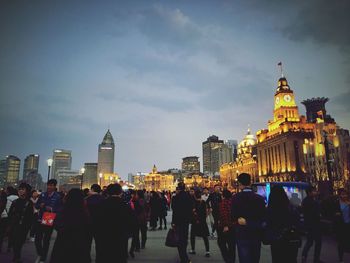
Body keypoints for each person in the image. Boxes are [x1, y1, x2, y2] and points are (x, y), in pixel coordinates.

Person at [231, 173, 265, 263]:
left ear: (240, 183)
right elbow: (263, 217)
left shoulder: (235, 198)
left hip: (242, 233)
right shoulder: (260, 199)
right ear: (250, 182)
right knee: (255, 258)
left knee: (244, 258)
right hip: (256, 232)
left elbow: (233, 216)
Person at [50, 188, 91, 263]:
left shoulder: (63, 210)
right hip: (80, 245)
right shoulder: (84, 212)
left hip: (63, 243)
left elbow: (57, 224)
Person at [97, 183, 132, 263]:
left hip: (105, 236)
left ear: (108, 192)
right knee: (119, 257)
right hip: (120, 236)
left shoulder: (102, 204)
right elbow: (130, 221)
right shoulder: (124, 205)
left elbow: (97, 221)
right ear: (120, 192)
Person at [265, 185, 300, 263]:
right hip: (290, 238)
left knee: (277, 259)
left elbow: (267, 224)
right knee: (291, 259)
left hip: (276, 239)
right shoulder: (290, 208)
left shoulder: (270, 210)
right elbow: (297, 221)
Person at [35, 179, 62, 263]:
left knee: (46, 240)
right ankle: (40, 253)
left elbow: (60, 209)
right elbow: (36, 205)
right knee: (37, 239)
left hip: (49, 218)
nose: (49, 187)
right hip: (40, 218)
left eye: (51, 185)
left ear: (55, 186)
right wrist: (40, 205)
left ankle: (43, 257)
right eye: (48, 185)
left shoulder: (58, 197)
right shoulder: (42, 194)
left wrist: (51, 209)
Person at [7, 183, 33, 263]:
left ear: (27, 191)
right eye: (20, 189)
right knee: (14, 241)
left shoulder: (29, 203)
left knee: (20, 242)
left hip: (23, 226)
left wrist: (28, 228)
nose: (21, 191)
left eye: (23, 189)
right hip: (14, 225)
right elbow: (10, 214)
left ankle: (17, 255)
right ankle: (16, 256)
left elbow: (30, 217)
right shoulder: (15, 201)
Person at [171, 182, 193, 263]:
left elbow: (174, 211)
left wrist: (173, 222)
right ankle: (184, 257)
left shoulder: (175, 198)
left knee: (179, 239)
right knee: (184, 238)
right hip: (186, 221)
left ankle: (183, 257)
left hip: (178, 221)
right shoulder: (189, 197)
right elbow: (191, 207)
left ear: (178, 188)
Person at [301, 186, 323, 263]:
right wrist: (318, 215)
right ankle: (315, 259)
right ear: (309, 192)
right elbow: (314, 213)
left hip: (310, 224)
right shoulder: (311, 201)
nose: (316, 192)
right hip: (314, 224)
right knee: (316, 242)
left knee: (310, 242)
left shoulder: (307, 200)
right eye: (314, 191)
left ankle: (304, 256)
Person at [85, 184, 104, 262]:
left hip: (88, 224)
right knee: (99, 244)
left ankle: (87, 259)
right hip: (100, 224)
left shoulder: (87, 199)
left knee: (87, 243)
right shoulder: (103, 199)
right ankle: (99, 259)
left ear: (92, 189)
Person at [189, 190, 210, 257]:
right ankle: (207, 251)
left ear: (195, 195)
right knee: (205, 237)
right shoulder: (203, 202)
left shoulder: (194, 202)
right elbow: (207, 212)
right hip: (203, 222)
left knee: (192, 236)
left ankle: (193, 249)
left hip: (195, 222)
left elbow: (192, 212)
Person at [217, 189, 235, 263]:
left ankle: (227, 259)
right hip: (233, 225)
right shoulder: (233, 202)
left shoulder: (223, 203)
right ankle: (232, 259)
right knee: (232, 244)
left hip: (225, 226)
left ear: (223, 196)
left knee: (221, 242)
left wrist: (225, 225)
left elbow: (224, 214)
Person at [332, 188, 350, 262]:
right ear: (339, 195)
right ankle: (341, 259)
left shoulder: (349, 203)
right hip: (341, 226)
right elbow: (332, 213)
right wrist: (336, 214)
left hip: (348, 224)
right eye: (343, 194)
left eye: (345, 194)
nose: (344, 196)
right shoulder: (336, 203)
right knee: (341, 243)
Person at [0, 186, 18, 253]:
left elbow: (4, 206)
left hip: (6, 215)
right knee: (11, 232)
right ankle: (9, 246)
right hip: (13, 217)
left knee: (2, 232)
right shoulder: (18, 198)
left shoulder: (7, 198)